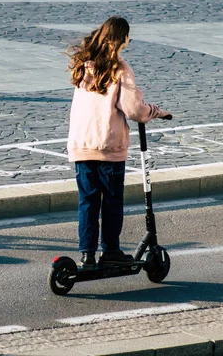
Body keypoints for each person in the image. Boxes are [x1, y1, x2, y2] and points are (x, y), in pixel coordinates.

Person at [66, 16, 172, 269]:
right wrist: (156, 112)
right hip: (108, 145)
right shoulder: (119, 67)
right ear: (121, 38)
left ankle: (87, 254)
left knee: (88, 202)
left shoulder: (83, 65)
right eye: (127, 37)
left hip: (81, 144)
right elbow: (134, 109)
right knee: (111, 201)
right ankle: (111, 250)